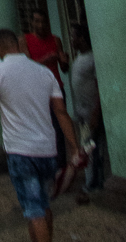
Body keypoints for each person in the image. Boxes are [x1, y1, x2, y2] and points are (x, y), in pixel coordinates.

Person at [0, 28, 80, 242]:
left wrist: (0, 100)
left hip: (20, 151)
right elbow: (61, 112)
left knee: (34, 211)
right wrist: (73, 147)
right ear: (18, 45)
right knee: (43, 206)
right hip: (47, 150)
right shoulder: (44, 72)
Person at [21, 9, 70, 165]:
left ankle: (60, 165)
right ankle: (42, 162)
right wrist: (46, 59)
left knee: (59, 128)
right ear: (32, 23)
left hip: (55, 89)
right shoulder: (24, 40)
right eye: (37, 21)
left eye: (43, 21)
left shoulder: (56, 40)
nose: (40, 25)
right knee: (39, 127)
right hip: (36, 90)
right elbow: (25, 66)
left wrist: (64, 61)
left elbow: (64, 69)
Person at [70, 24, 104, 203]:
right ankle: (92, 182)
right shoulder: (79, 58)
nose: (72, 39)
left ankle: (94, 184)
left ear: (82, 38)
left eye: (74, 36)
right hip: (82, 113)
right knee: (87, 147)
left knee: (91, 148)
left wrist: (95, 113)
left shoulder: (92, 59)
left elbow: (100, 87)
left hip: (91, 113)